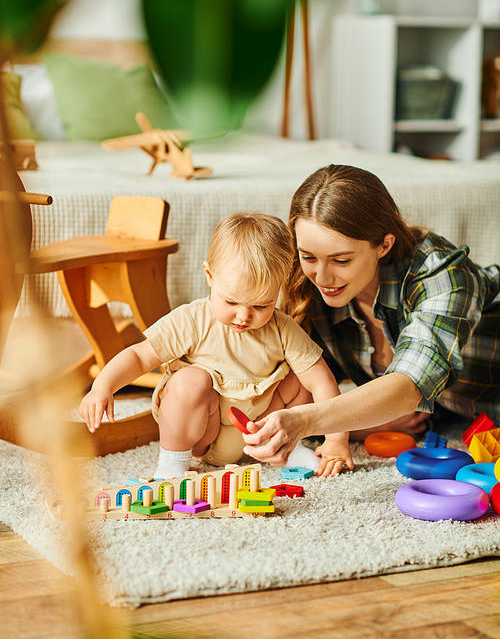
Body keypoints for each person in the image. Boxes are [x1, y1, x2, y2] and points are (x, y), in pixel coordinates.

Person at [242, 164, 500, 469]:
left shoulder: (442, 273)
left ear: (384, 245)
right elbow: (291, 390)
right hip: (458, 414)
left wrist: (307, 421)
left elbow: (408, 386)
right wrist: (366, 425)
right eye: (308, 256)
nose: (321, 276)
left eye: (341, 259)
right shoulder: (311, 286)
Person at [79, 211, 353, 479]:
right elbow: (139, 357)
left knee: (303, 373)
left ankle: (290, 448)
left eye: (261, 305)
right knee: (190, 381)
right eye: (231, 302)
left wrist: (336, 440)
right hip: (203, 433)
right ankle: (173, 461)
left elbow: (321, 382)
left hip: (260, 425)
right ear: (209, 276)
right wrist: (103, 387)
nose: (244, 316)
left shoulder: (282, 328)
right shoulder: (192, 320)